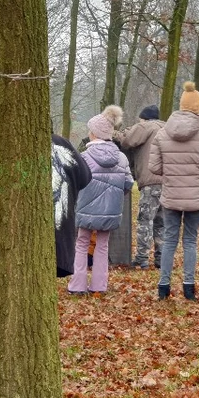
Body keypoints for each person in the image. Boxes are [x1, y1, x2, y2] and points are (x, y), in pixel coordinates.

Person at [149, 82, 199, 301]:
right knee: (190, 241)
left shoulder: (162, 134)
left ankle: (163, 286)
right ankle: (189, 286)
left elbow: (153, 167)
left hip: (171, 195)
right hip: (196, 197)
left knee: (170, 240)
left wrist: (171, 172)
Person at [69, 106, 134, 294]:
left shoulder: (84, 157)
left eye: (90, 130)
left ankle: (77, 286)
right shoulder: (121, 158)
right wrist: (113, 197)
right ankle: (99, 286)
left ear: (95, 133)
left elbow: (75, 182)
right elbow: (128, 183)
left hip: (86, 209)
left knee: (82, 243)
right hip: (110, 211)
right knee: (103, 245)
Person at [114, 104, 165, 269]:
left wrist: (114, 133)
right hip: (170, 183)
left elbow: (128, 141)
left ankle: (142, 258)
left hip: (151, 182)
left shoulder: (146, 126)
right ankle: (161, 259)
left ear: (144, 118)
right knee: (162, 222)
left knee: (145, 220)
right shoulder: (167, 128)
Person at [52, 132, 92, 278]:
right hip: (60, 230)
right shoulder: (62, 143)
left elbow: (85, 176)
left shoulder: (18, 143)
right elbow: (84, 176)